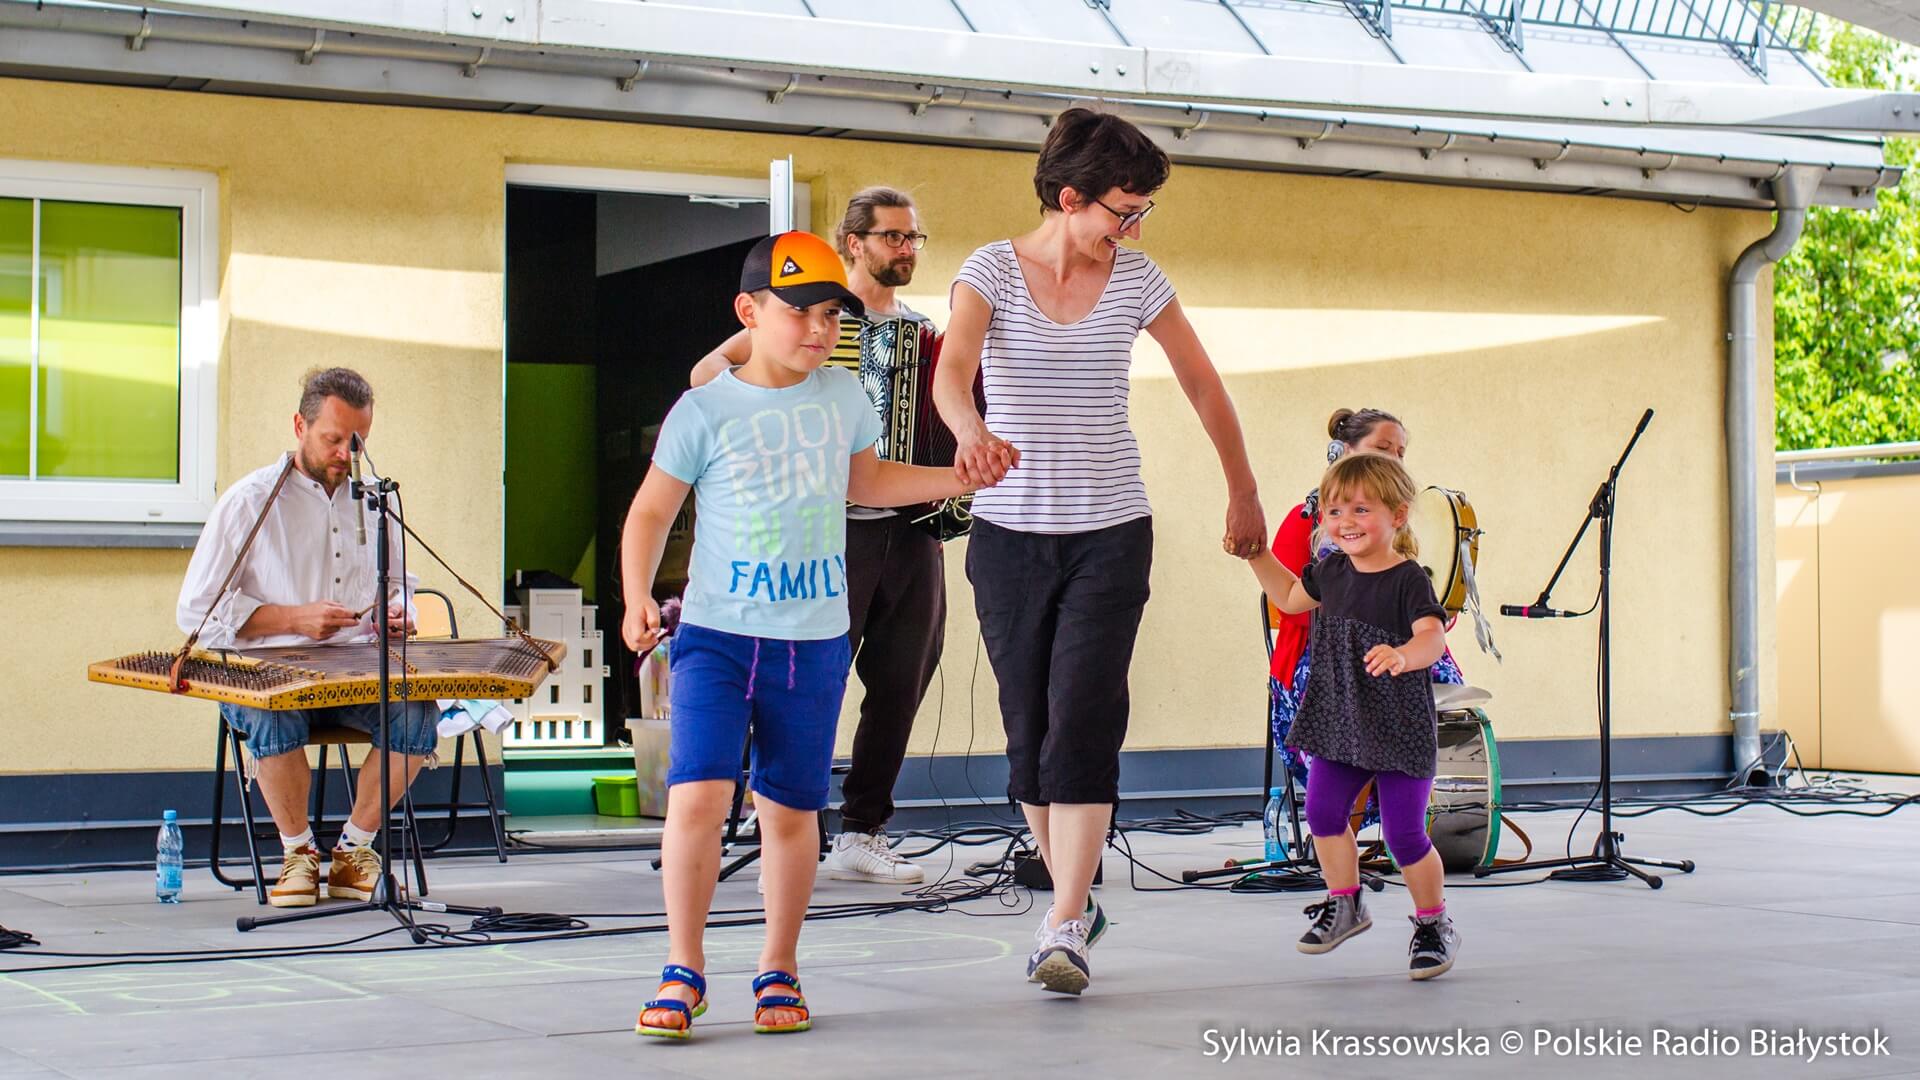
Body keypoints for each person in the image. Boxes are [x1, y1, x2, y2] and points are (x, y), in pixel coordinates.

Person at [624, 231, 992, 1039]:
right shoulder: (707, 406)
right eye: (800, 313)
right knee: (696, 800)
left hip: (813, 640)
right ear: (748, 312)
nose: (820, 330)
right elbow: (651, 510)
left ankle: (778, 966)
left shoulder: (842, 399)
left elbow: (867, 481)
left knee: (792, 810)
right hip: (718, 637)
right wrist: (634, 598)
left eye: (830, 314)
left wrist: (954, 476)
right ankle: (683, 967)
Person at [934, 108, 1266, 996]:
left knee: (1083, 716)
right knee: (1030, 735)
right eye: (1126, 208)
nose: (1136, 225)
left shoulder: (1138, 278)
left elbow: (1203, 385)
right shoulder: (991, 270)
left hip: (1111, 532)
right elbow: (952, 372)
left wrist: (1243, 489)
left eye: (1145, 210)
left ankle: (1067, 921)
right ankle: (1071, 904)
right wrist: (969, 432)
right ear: (1071, 197)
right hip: (1009, 539)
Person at [690, 187, 942, 885]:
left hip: (909, 527)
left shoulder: (925, 334)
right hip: (822, 529)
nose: (906, 250)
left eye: (914, 238)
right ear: (854, 242)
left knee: (903, 680)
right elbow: (708, 376)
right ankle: (758, 809)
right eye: (893, 236)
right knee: (807, 680)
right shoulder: (809, 321)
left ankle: (863, 829)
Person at [176, 366, 432, 908]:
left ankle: (353, 852)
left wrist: (398, 609)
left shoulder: (372, 501)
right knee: (275, 713)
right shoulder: (248, 502)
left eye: (356, 441)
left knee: (417, 711)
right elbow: (196, 611)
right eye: (332, 439)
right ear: (299, 425)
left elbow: (400, 584)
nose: (346, 452)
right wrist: (295, 619)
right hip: (265, 670)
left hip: (351, 669)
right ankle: (297, 854)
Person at [1247, 453, 1462, 980]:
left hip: (1398, 723)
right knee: (1322, 815)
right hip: (1340, 717)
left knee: (1404, 834)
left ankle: (1434, 923)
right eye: (1335, 510)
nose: (1345, 522)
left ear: (1399, 515)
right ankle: (1345, 902)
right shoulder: (1331, 571)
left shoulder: (1408, 578)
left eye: (1361, 510)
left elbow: (1432, 636)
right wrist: (1255, 556)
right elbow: (1290, 599)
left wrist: (1405, 655)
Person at [1268, 408, 1466, 797]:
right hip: (1323, 653)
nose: (1393, 457)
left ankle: (1433, 806)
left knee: (1440, 692)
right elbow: (1288, 604)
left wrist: (1411, 645)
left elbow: (1425, 616)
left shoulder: (1395, 530)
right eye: (1382, 447)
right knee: (1348, 708)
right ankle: (1341, 815)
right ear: (1346, 452)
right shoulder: (1314, 520)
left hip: (1395, 650)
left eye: (1400, 451)